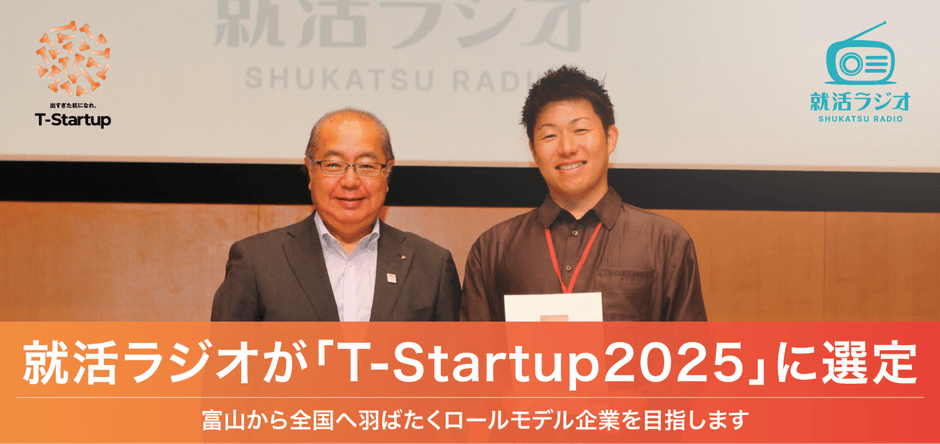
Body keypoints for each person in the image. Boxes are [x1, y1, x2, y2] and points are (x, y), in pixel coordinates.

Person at [460, 65, 707, 321]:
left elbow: (689, 346)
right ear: (533, 151)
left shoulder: (666, 242)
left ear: (610, 138)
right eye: (550, 135)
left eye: (580, 130)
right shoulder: (492, 249)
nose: (567, 147)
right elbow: (474, 346)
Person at [212, 108, 461, 321]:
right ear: (310, 171)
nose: (350, 181)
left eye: (366, 166)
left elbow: (452, 360)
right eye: (333, 165)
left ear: (387, 173)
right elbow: (227, 360)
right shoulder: (256, 262)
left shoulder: (432, 266)